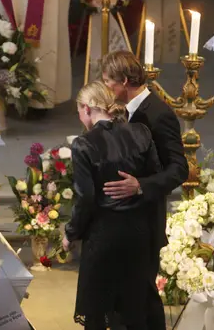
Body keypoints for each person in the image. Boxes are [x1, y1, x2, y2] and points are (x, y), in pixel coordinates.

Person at [63, 81, 162, 330]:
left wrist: (70, 234)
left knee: (97, 313)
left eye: (78, 111)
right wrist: (138, 186)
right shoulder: (141, 133)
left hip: (103, 237)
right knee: (134, 312)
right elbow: (156, 178)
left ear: (86, 108)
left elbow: (85, 199)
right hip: (139, 235)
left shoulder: (84, 144)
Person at [100, 50, 188, 330]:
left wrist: (141, 186)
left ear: (125, 80)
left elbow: (179, 168)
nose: (106, 88)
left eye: (108, 82)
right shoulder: (120, 112)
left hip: (145, 221)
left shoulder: (159, 113)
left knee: (143, 298)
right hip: (121, 221)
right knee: (121, 297)